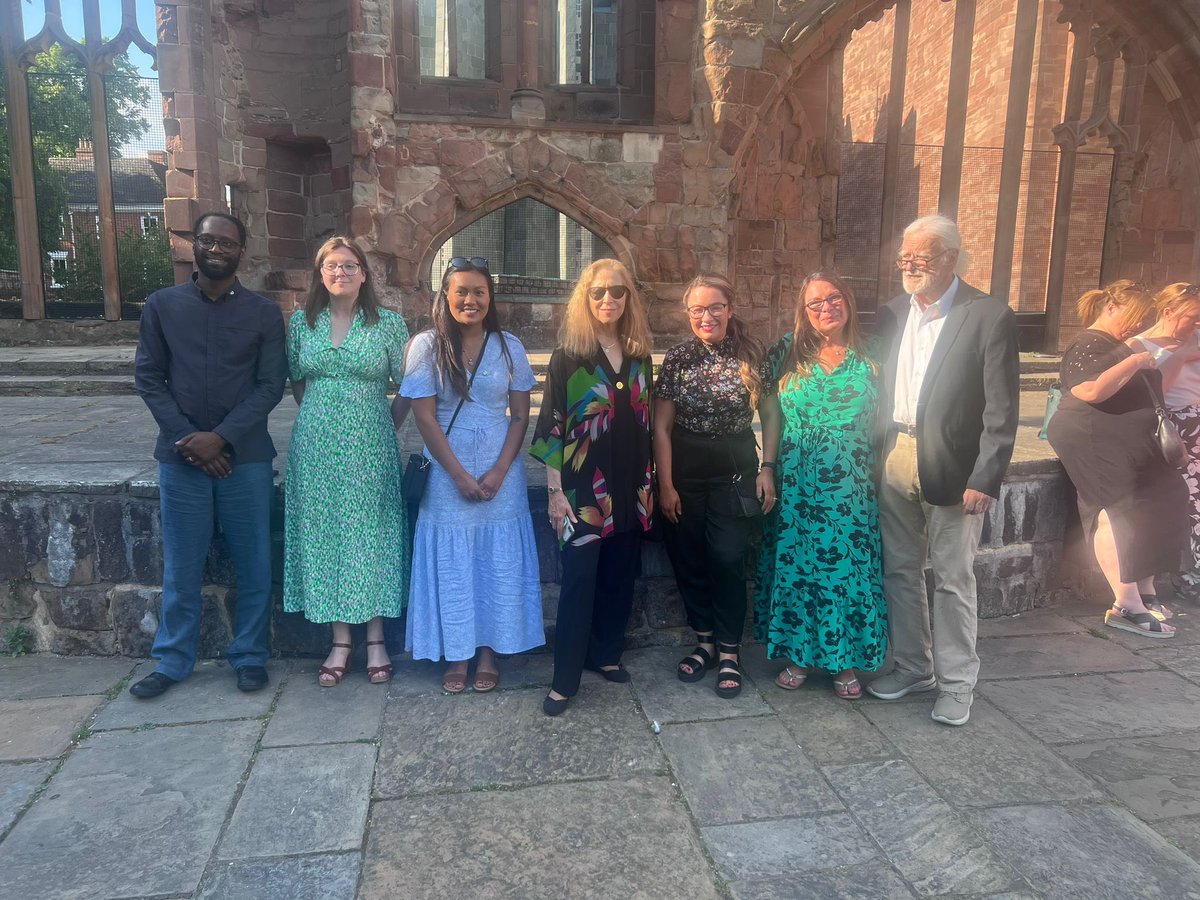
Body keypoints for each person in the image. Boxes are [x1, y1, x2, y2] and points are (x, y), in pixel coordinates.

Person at [867, 214, 1020, 727]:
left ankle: (957, 684)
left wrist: (986, 475)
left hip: (956, 467)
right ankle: (913, 667)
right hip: (896, 456)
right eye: (905, 256)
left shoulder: (987, 315)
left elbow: (1002, 410)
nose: (909, 265)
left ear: (950, 258)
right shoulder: (892, 314)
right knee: (900, 571)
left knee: (954, 579)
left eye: (921, 256)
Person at [130, 212, 287, 698]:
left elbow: (269, 386)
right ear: (193, 245)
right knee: (181, 564)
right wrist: (191, 441)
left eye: (227, 242)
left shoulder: (263, 314)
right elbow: (148, 379)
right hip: (181, 460)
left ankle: (250, 656)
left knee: (254, 562)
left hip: (246, 458)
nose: (216, 249)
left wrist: (222, 438)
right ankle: (173, 660)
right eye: (208, 240)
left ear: (243, 251)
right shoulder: (162, 306)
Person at [400, 256, 543, 693]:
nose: (470, 300)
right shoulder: (426, 345)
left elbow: (520, 415)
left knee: (495, 561)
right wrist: (460, 476)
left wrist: (500, 469)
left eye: (479, 291)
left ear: (490, 298)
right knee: (454, 562)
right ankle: (457, 651)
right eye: (461, 291)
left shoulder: (509, 346)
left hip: (502, 468)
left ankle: (489, 651)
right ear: (445, 297)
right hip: (446, 469)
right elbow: (424, 418)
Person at [283, 237, 411, 686]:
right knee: (327, 535)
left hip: (370, 447)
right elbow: (298, 384)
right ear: (320, 274)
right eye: (332, 265)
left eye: (350, 265)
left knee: (372, 534)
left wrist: (380, 424)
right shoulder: (302, 324)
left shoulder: (389, 324)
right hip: (315, 449)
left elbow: (408, 387)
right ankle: (341, 639)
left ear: (364, 273)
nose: (341, 272)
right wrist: (325, 417)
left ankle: (375, 637)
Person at [531, 258, 655, 716]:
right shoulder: (570, 355)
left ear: (629, 297)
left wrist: (654, 483)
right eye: (599, 292)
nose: (608, 299)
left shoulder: (640, 352)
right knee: (580, 581)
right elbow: (552, 427)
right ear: (586, 297)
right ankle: (564, 679)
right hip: (583, 492)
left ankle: (605, 654)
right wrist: (554, 492)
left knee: (620, 576)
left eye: (617, 291)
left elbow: (645, 420)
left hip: (633, 487)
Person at [756, 272, 887, 699]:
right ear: (803, 310)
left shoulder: (873, 353)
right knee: (798, 568)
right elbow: (770, 415)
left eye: (833, 299)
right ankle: (798, 656)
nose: (825, 308)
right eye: (814, 303)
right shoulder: (786, 352)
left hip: (852, 485)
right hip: (797, 483)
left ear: (848, 300)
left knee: (846, 570)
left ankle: (844, 661)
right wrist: (767, 467)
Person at [655, 274, 778, 699]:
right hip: (685, 473)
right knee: (689, 558)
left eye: (715, 308)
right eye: (697, 310)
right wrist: (666, 484)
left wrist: (769, 467)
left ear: (730, 309)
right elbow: (662, 427)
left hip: (736, 472)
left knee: (727, 558)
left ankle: (731, 652)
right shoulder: (677, 359)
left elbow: (772, 413)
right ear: (688, 314)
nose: (706, 317)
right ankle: (705, 642)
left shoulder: (750, 354)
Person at [1048, 280, 1190, 635]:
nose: (1137, 326)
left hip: (1126, 440)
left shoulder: (1117, 345)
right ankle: (1126, 604)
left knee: (1159, 501)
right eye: (1134, 317)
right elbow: (1091, 390)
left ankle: (1145, 590)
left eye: (1144, 320)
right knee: (1116, 510)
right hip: (1092, 438)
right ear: (1110, 308)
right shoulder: (1089, 343)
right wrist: (1137, 358)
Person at [1143, 285, 1200, 598]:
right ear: (1168, 312)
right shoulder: (1141, 344)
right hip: (1174, 428)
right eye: (1191, 318)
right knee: (1187, 503)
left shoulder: (1195, 336)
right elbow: (1156, 386)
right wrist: (1184, 354)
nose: (1195, 325)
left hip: (1196, 420)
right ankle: (1187, 575)